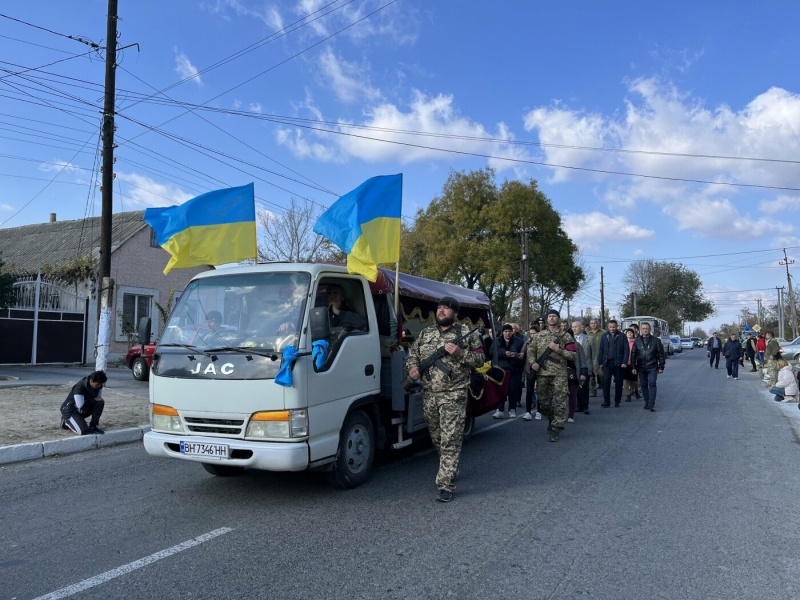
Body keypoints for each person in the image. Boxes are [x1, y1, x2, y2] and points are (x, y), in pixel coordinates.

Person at [406, 296, 485, 503]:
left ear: (455, 313)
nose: (441, 311)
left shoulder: (465, 334)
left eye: (446, 308)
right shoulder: (426, 333)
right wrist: (412, 368)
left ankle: (445, 484)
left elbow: (480, 360)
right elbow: (413, 355)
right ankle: (450, 466)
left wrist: (460, 353)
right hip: (429, 393)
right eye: (439, 307)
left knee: (450, 439)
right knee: (437, 437)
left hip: (454, 393)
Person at [526, 309, 574, 442]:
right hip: (542, 374)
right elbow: (531, 351)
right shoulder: (539, 335)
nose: (552, 318)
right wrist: (533, 363)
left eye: (554, 316)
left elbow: (573, 355)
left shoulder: (566, 336)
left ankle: (556, 428)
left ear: (558, 319)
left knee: (560, 402)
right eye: (550, 316)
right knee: (543, 403)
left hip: (559, 374)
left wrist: (558, 350)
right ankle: (552, 418)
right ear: (547, 320)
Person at [630, 322, 666, 412]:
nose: (645, 330)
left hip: (653, 366)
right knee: (643, 385)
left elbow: (661, 354)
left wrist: (661, 366)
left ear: (650, 329)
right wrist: (633, 367)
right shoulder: (637, 341)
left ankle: (651, 404)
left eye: (647, 328)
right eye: (643, 328)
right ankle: (647, 402)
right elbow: (633, 355)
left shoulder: (656, 341)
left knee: (652, 383)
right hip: (641, 367)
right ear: (641, 330)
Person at [492, 324, 525, 419]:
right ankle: (500, 409)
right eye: (505, 331)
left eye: (509, 331)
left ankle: (512, 409)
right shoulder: (497, 341)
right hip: (501, 370)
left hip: (515, 369)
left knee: (513, 390)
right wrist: (504, 353)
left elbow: (524, 354)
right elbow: (492, 352)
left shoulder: (519, 341)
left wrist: (520, 355)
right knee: (500, 389)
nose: (507, 333)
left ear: (512, 332)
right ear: (502, 332)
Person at [59, 370, 108, 435]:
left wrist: (93, 400)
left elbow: (99, 398)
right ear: (91, 381)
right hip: (70, 410)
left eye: (101, 384)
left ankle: (93, 426)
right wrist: (93, 400)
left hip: (81, 409)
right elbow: (80, 405)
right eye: (97, 384)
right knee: (83, 431)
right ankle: (66, 421)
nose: (99, 386)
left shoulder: (99, 386)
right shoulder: (79, 387)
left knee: (100, 403)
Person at [597, 319, 627, 408]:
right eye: (610, 327)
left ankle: (617, 401)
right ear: (608, 327)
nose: (612, 329)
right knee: (606, 382)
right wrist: (601, 362)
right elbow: (601, 350)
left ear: (616, 327)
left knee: (618, 382)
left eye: (613, 327)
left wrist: (624, 362)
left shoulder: (622, 336)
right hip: (607, 363)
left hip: (619, 363)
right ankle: (607, 401)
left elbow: (626, 350)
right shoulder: (604, 336)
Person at [565, 329, 589, 423]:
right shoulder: (558, 346)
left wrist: (583, 373)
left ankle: (571, 415)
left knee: (573, 394)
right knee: (561, 395)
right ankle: (561, 414)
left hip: (574, 373)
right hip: (561, 373)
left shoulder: (577, 346)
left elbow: (583, 360)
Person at [572, 320, 593, 415]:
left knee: (584, 387)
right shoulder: (570, 340)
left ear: (581, 328)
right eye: (573, 327)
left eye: (576, 326)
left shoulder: (589, 339)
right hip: (574, 367)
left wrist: (594, 368)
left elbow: (594, 355)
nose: (574, 328)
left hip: (586, 366)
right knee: (575, 387)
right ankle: (578, 405)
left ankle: (585, 406)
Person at [522, 325, 542, 421]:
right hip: (529, 369)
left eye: (534, 333)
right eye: (531, 333)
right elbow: (522, 353)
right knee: (529, 391)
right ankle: (528, 412)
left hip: (540, 369)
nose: (532, 335)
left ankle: (539, 411)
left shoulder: (542, 343)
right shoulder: (527, 342)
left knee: (540, 391)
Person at [585, 318, 605, 398]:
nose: (594, 324)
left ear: (598, 323)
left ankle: (605, 389)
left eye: (595, 323)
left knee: (602, 374)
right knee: (591, 376)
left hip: (600, 356)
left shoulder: (603, 332)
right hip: (591, 357)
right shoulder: (587, 334)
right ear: (589, 325)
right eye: (592, 323)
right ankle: (592, 391)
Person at [622, 328, 640, 402]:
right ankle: (628, 395)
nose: (629, 334)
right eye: (627, 332)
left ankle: (636, 391)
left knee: (634, 381)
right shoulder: (623, 342)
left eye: (630, 332)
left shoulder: (636, 342)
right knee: (625, 380)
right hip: (625, 364)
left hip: (634, 364)